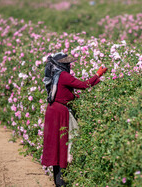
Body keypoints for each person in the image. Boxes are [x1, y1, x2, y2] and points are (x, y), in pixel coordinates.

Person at [41, 52, 107, 187]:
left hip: (52, 111)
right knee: (65, 144)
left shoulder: (55, 74)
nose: (69, 65)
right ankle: (62, 182)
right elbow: (84, 85)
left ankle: (59, 181)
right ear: (61, 64)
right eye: (67, 63)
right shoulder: (63, 75)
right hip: (60, 113)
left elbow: (61, 92)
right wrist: (98, 75)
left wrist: (72, 96)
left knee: (56, 148)